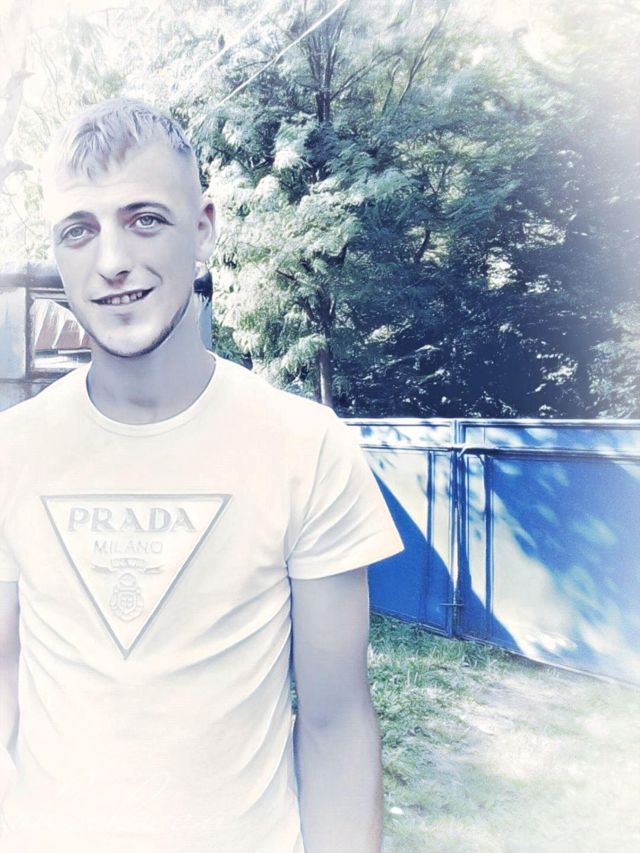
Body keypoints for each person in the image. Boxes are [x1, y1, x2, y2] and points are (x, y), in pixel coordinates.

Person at [0, 98, 404, 853]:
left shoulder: (306, 446)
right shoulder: (10, 452)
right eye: (78, 229)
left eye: (145, 218)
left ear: (204, 230)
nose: (111, 259)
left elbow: (336, 719)